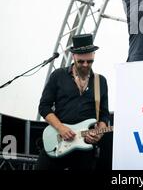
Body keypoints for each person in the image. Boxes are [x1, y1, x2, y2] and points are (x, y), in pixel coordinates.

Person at [37, 33, 111, 170]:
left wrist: (99, 132)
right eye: (81, 61)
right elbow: (44, 107)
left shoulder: (100, 81)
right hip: (57, 140)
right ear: (73, 57)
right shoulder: (58, 75)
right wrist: (61, 128)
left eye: (90, 61)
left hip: (84, 150)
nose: (85, 65)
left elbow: (104, 114)